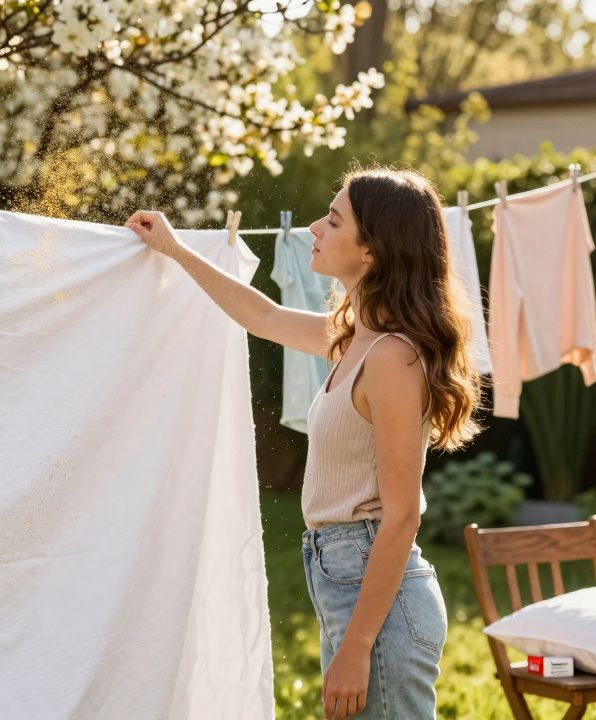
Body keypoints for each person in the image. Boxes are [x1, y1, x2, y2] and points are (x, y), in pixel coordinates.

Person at [123, 166, 483, 719]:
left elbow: (403, 514)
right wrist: (173, 249)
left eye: (334, 220)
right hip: (347, 579)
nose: (316, 226)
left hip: (374, 591)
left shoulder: (391, 357)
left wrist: (360, 645)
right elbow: (262, 317)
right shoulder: (357, 339)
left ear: (371, 251)